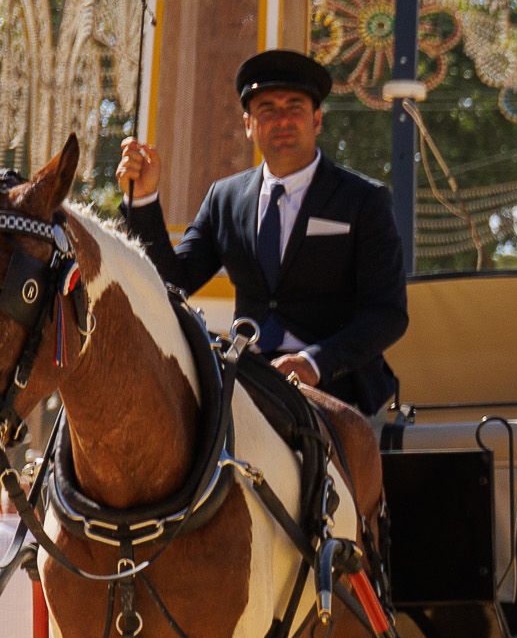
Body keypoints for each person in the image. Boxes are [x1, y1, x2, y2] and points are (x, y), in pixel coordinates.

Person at [115, 49, 408, 413]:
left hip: (337, 388)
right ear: (248, 124)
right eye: (267, 109)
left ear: (317, 119)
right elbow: (171, 285)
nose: (281, 119)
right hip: (245, 381)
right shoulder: (226, 198)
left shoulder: (364, 200)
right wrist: (142, 202)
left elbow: (387, 314)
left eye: (295, 107)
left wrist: (313, 363)